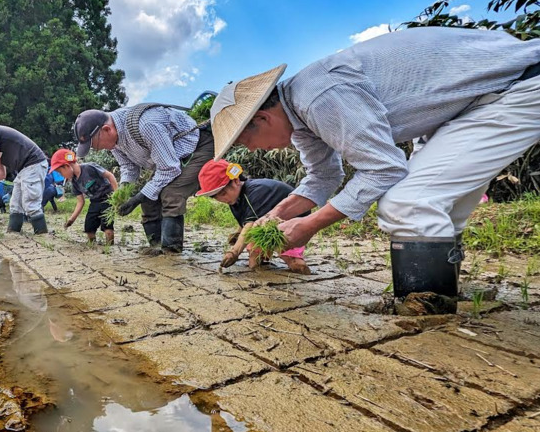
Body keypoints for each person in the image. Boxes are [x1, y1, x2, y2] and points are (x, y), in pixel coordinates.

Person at [209, 26, 540, 303]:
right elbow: (323, 177)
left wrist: (308, 226)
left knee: (408, 204)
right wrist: (270, 219)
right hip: (462, 110)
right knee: (440, 209)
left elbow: (384, 168)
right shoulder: (301, 120)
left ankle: (427, 323)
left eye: (246, 142)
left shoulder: (317, 96)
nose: (257, 151)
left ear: (263, 118)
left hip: (513, 86)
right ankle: (439, 295)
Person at [73, 104, 214, 253]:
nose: (98, 149)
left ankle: (170, 251)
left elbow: (169, 168)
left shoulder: (147, 125)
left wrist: (138, 198)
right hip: (170, 158)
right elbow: (128, 167)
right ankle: (156, 246)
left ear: (106, 129)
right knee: (149, 200)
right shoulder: (114, 140)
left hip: (197, 147)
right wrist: (123, 191)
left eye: (96, 145)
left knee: (171, 193)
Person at [195, 159, 310, 273]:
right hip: (266, 224)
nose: (222, 199)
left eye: (223, 193)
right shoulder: (235, 198)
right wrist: (238, 233)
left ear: (235, 181)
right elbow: (248, 219)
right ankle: (263, 266)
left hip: (292, 221)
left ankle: (295, 263)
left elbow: (250, 225)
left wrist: (234, 252)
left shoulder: (255, 192)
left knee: (296, 265)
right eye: (216, 197)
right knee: (254, 261)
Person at [51, 149, 117, 245]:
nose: (62, 176)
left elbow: (110, 176)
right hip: (94, 202)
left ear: (67, 166)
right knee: (89, 228)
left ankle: (110, 247)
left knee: (107, 227)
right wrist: (71, 220)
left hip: (108, 199)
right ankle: (92, 245)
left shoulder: (89, 168)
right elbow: (80, 202)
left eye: (60, 172)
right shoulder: (74, 182)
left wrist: (117, 196)